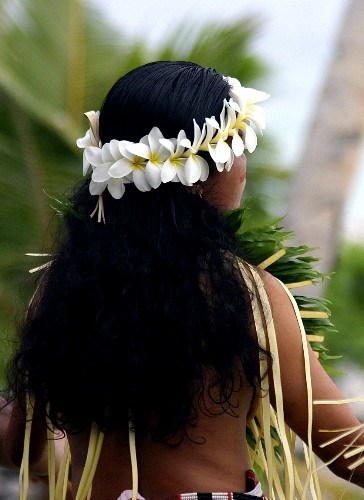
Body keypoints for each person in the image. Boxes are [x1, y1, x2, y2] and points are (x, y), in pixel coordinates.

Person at [1, 60, 364, 500]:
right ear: (200, 175)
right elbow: (348, 450)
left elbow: (21, 447)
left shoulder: (60, 290)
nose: (243, 165)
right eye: (238, 146)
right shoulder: (250, 297)